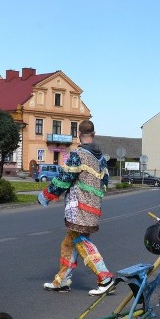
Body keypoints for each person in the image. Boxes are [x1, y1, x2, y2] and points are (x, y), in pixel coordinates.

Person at [39, 119, 114, 296]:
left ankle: (105, 278)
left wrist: (46, 195)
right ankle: (62, 280)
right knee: (69, 243)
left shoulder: (78, 154)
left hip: (78, 208)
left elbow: (64, 178)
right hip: (93, 207)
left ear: (79, 135)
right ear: (93, 135)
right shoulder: (101, 159)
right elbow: (104, 184)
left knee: (81, 241)